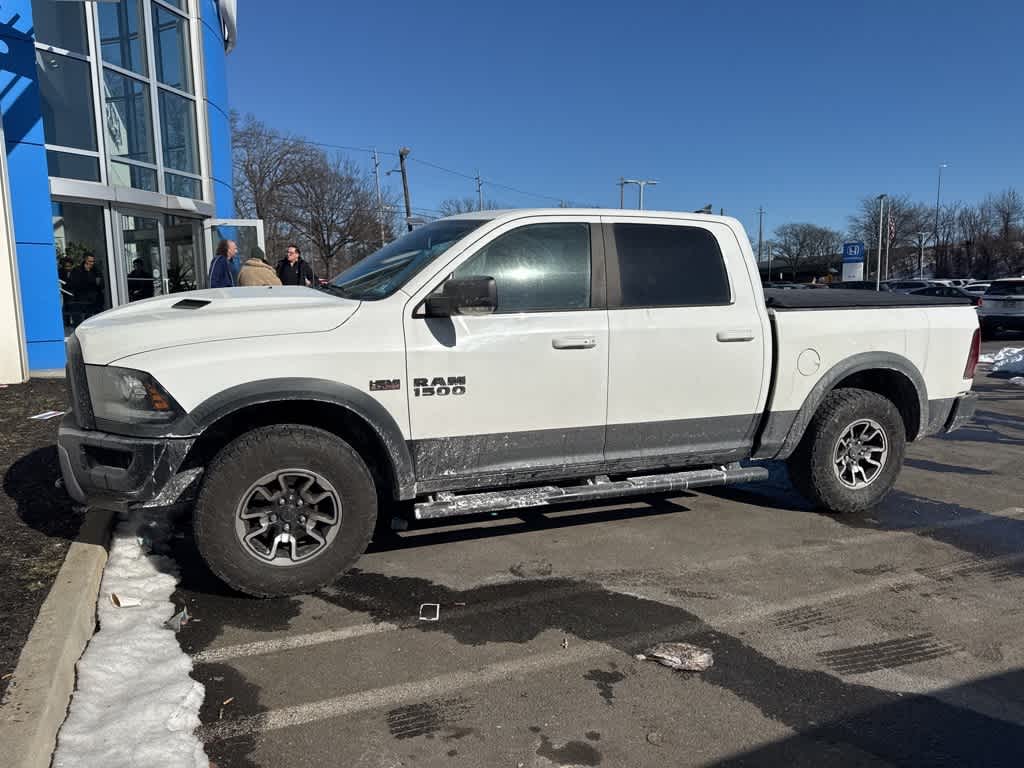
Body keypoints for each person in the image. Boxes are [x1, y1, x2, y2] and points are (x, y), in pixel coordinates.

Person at [68, 253, 104, 320]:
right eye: (90, 261)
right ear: (85, 260)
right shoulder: (77, 270)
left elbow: (101, 284)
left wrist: (96, 281)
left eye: (93, 261)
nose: (92, 263)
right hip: (82, 301)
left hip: (95, 300)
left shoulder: (96, 270)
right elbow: (75, 284)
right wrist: (91, 278)